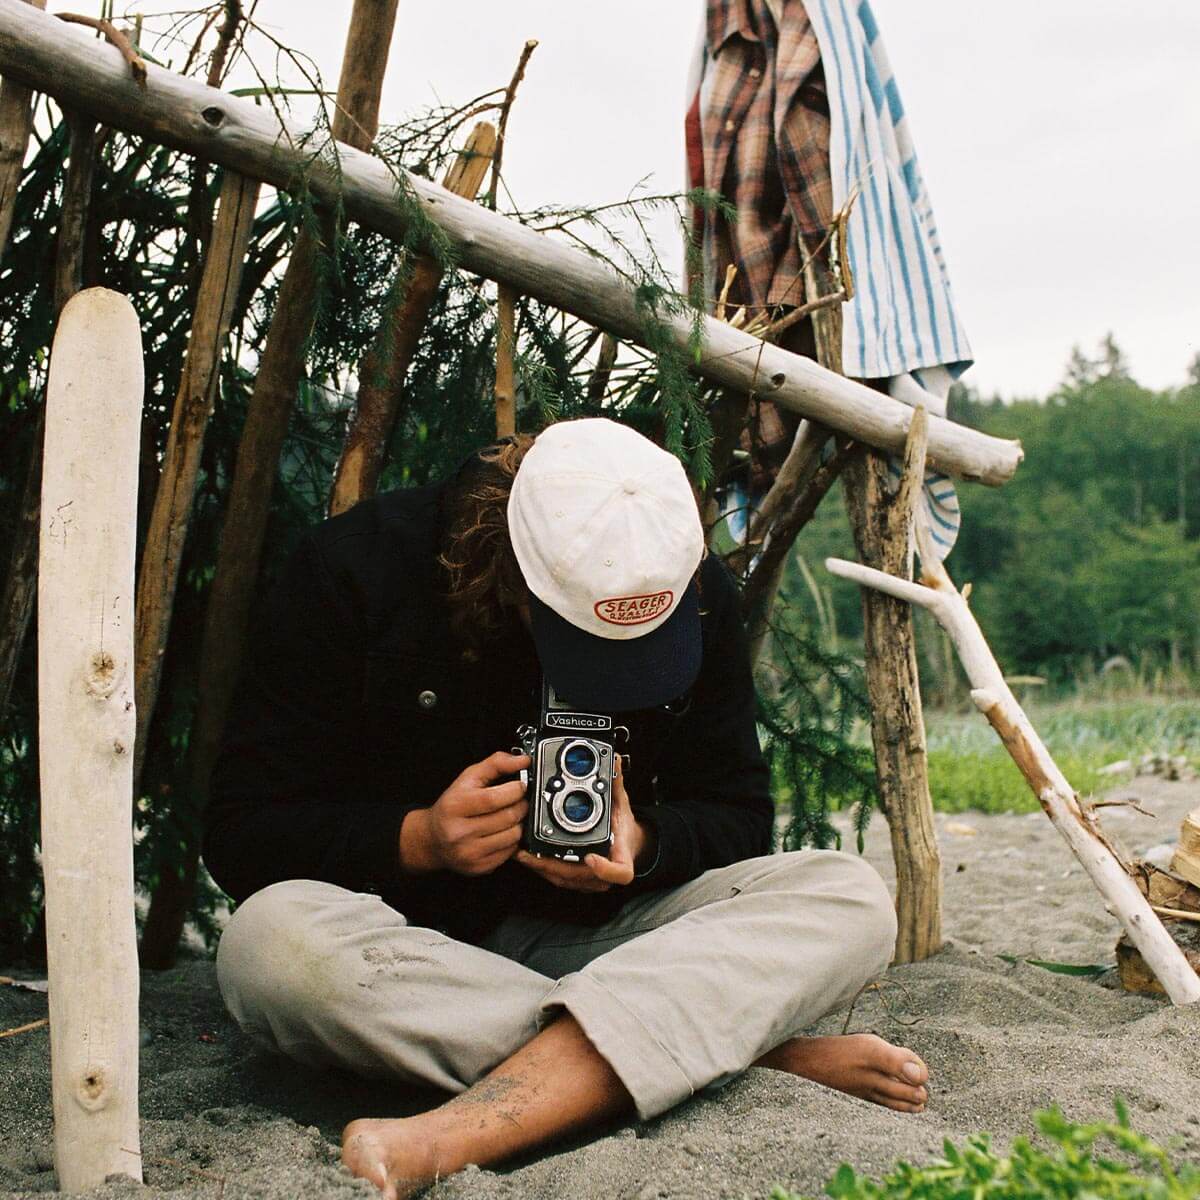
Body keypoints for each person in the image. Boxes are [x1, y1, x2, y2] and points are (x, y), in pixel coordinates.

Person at [204, 418, 928, 1200]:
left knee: (846, 895)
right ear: (517, 572)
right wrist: (420, 840)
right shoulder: (358, 570)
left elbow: (738, 815)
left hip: (618, 943)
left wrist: (644, 843)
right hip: (420, 951)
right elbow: (243, 830)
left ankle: (479, 1119)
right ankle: (736, 1054)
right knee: (268, 948)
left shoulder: (696, 590)